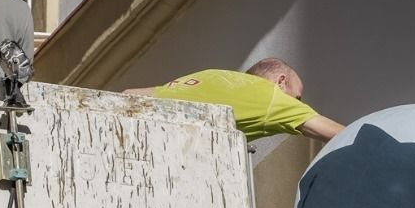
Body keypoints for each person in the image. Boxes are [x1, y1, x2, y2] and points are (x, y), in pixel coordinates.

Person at [125, 58, 345, 142]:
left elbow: (129, 95)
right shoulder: (272, 97)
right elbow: (338, 133)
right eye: (297, 97)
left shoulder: (211, 74)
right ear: (281, 81)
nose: (298, 103)